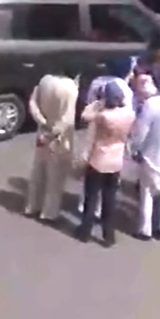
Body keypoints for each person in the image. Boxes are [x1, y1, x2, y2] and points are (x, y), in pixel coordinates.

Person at [78, 81, 135, 247]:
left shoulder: (103, 116)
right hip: (116, 160)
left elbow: (85, 116)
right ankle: (108, 235)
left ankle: (85, 231)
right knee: (109, 199)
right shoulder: (129, 114)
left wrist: (96, 104)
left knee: (92, 196)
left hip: (99, 159)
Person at [129, 61, 160, 242]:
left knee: (147, 194)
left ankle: (145, 229)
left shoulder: (153, 104)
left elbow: (140, 131)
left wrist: (135, 149)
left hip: (153, 157)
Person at [25, 71, 79, 222]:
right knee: (55, 177)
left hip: (41, 132)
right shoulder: (70, 88)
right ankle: (48, 212)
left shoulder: (45, 80)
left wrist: (42, 122)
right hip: (59, 138)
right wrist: (52, 133)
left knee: (38, 171)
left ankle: (32, 206)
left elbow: (32, 103)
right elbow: (67, 119)